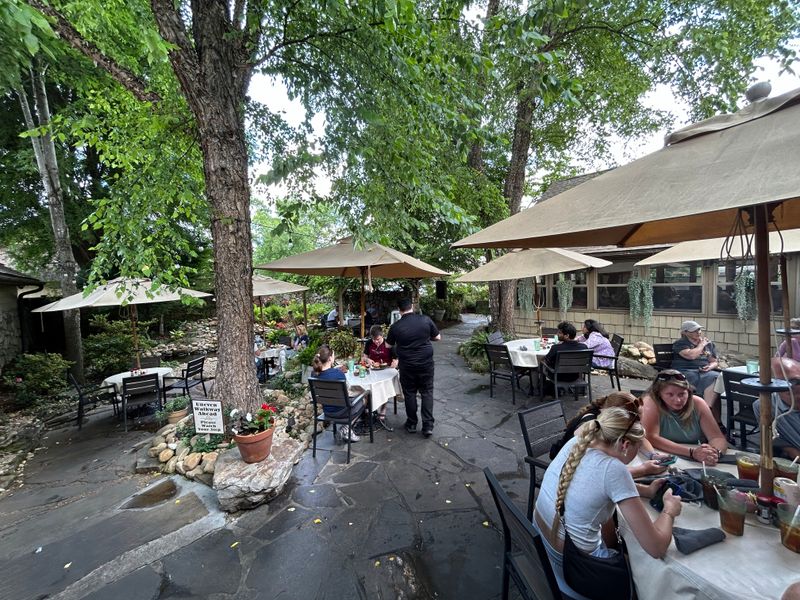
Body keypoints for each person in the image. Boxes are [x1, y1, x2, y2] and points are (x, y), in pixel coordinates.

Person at [532, 407, 681, 599]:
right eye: (638, 448)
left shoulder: (577, 443)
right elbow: (656, 548)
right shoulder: (613, 469)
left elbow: (594, 486)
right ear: (625, 444)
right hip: (577, 576)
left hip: (544, 558)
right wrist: (669, 510)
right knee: (649, 575)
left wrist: (646, 490)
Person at [550, 391, 668, 477]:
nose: (636, 425)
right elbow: (597, 474)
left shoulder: (608, 419)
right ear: (617, 416)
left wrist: (653, 455)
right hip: (566, 470)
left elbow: (639, 438)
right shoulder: (591, 428)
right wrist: (643, 470)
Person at [641, 370, 727, 465]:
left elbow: (717, 437)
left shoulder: (698, 404)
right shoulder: (650, 403)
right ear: (659, 394)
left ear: (688, 391)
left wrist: (713, 454)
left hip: (692, 459)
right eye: (670, 394)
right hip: (661, 457)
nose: (677, 400)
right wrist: (691, 452)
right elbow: (651, 437)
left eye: (682, 394)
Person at [386, 298, 440, 437]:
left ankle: (411, 423)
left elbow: (388, 345)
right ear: (412, 307)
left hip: (407, 366)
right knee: (427, 392)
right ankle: (428, 426)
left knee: (409, 394)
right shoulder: (425, 320)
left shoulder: (396, 326)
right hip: (426, 364)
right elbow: (438, 337)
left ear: (399, 310)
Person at [671, 320, 721, 423]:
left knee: (717, 377)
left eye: (699, 329)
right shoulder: (681, 343)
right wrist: (701, 345)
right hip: (685, 372)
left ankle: (707, 410)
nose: (698, 332)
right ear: (685, 332)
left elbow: (714, 361)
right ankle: (709, 416)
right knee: (714, 384)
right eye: (694, 330)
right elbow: (691, 355)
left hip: (704, 372)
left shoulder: (709, 344)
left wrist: (710, 367)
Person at [311, 345, 360, 443]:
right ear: (329, 358)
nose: (334, 357)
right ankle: (347, 427)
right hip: (342, 412)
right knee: (364, 397)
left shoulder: (313, 374)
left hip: (327, 411)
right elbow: (347, 392)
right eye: (333, 355)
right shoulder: (338, 374)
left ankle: (346, 427)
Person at [754, 356, 800, 460]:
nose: (790, 387)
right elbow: (775, 439)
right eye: (782, 384)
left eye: (796, 381)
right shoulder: (765, 407)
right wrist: (792, 451)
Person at [541, 321, 588, 397]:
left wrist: (542, 361)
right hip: (575, 376)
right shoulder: (584, 347)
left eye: (559, 333)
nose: (557, 334)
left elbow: (546, 361)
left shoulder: (556, 348)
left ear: (567, 335)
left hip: (558, 376)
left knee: (540, 365)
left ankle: (539, 389)